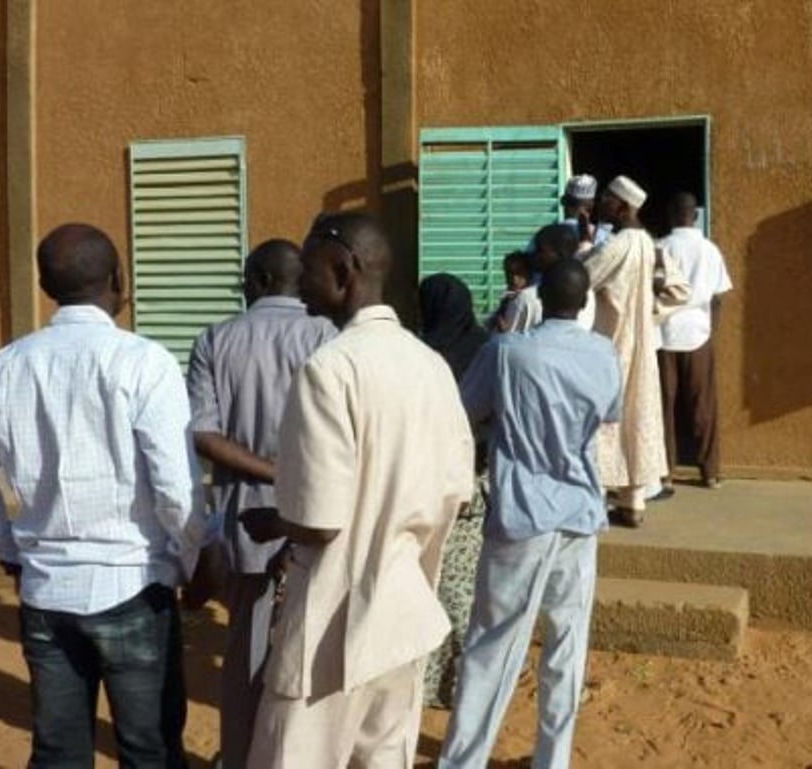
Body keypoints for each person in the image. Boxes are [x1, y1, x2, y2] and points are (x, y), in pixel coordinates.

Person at [0, 223, 211, 768]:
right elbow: (176, 492)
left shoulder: (3, 367)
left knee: (58, 753)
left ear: (45, 285)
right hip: (134, 581)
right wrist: (190, 557)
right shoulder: (144, 362)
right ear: (118, 279)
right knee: (150, 749)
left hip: (46, 591)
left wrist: (12, 552)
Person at [242, 212, 475, 767]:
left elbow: (321, 522)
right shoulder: (431, 365)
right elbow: (453, 492)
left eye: (310, 267)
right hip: (405, 609)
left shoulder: (329, 368)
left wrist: (275, 522)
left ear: (344, 271)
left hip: (332, 622)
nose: (300, 280)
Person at [439, 258, 622, 769]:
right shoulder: (604, 354)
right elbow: (607, 413)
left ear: (540, 300)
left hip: (521, 514)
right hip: (579, 514)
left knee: (492, 646)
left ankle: (464, 761)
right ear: (584, 302)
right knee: (567, 645)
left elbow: (463, 410)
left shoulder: (506, 351)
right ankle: (552, 759)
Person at [185, 238, 336, 769]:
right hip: (319, 516)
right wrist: (291, 472)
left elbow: (204, 433)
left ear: (260, 281)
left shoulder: (216, 339)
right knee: (312, 650)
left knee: (245, 656)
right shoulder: (328, 336)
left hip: (245, 522)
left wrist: (269, 472)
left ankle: (242, 756)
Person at [581, 175, 680, 527]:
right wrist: (650, 315)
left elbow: (580, 278)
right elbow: (678, 290)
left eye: (607, 200)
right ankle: (633, 503)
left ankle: (595, 502)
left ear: (622, 207)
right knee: (638, 417)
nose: (601, 204)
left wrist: (580, 247)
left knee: (603, 421)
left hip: (612, 344)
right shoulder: (653, 245)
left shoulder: (617, 246)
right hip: (642, 344)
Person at [417, 273, 491, 709]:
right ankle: (459, 686)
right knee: (461, 592)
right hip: (469, 485)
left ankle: (432, 685)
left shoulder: (420, 353)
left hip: (428, 487)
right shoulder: (484, 348)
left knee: (434, 589)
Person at [657, 193, 733, 493]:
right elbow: (717, 296)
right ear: (694, 215)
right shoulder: (710, 250)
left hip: (663, 333)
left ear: (672, 214)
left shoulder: (660, 247)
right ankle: (710, 471)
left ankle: (665, 471)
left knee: (664, 404)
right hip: (699, 333)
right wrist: (711, 328)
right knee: (703, 404)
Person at [498, 225, 596, 332]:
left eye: (540, 250)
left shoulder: (526, 299)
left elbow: (507, 342)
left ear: (560, 254)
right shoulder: (588, 294)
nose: (534, 255)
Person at [488, 251, 532, 332]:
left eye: (519, 273)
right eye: (509, 273)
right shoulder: (508, 297)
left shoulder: (524, 299)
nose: (514, 279)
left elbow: (508, 333)